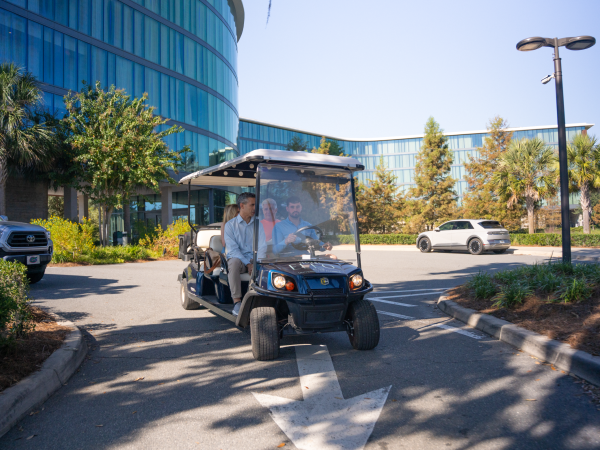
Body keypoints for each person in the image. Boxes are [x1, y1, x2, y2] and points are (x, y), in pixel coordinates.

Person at [224, 192, 266, 316]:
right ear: (242, 206)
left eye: (255, 205)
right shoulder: (230, 226)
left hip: (255, 259)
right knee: (234, 262)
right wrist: (248, 263)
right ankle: (237, 302)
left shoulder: (259, 224)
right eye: (252, 205)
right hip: (240, 261)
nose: (255, 208)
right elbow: (233, 250)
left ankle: (261, 300)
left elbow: (263, 246)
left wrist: (255, 262)